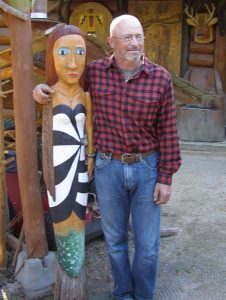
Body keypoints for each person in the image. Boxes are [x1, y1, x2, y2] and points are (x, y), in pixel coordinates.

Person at [34, 15, 181, 300]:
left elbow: (169, 132)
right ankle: (123, 294)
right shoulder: (96, 72)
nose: (134, 43)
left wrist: (166, 178)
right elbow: (64, 80)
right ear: (111, 42)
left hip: (146, 167)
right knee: (114, 242)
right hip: (108, 166)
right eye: (127, 38)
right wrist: (38, 89)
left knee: (147, 246)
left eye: (138, 36)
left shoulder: (160, 77)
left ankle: (143, 296)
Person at [42, 24, 94, 280]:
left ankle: (77, 271)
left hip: (83, 167)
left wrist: (92, 155)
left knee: (79, 214)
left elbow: (91, 130)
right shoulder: (49, 95)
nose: (73, 63)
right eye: (63, 52)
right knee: (62, 214)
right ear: (51, 55)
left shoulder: (86, 96)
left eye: (80, 53)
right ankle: (67, 272)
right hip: (58, 169)